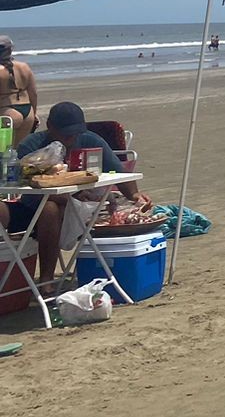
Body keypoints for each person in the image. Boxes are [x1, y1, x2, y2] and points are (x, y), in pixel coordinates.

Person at [2, 102, 146, 287]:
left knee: (50, 208)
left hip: (74, 214)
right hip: (31, 209)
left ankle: (46, 279)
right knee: (37, 206)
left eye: (75, 132)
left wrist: (134, 195)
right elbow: (26, 188)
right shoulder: (32, 146)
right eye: (65, 133)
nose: (70, 138)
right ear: (50, 127)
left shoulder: (91, 140)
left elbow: (119, 173)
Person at [0, 36, 37, 141]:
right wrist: (34, 113)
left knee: (3, 151)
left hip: (7, 112)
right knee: (17, 151)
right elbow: (33, 93)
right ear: (11, 49)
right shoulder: (24, 67)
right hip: (27, 112)